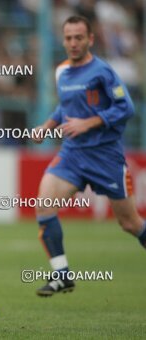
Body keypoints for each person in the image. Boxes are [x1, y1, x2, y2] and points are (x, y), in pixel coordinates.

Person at [32, 16, 146, 297]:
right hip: (72, 154)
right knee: (44, 205)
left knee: (130, 223)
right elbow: (65, 107)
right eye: (68, 37)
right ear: (63, 40)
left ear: (90, 40)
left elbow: (126, 108)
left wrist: (89, 122)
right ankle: (61, 275)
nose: (73, 43)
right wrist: (47, 126)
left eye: (79, 37)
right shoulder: (61, 72)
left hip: (105, 157)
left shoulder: (103, 72)